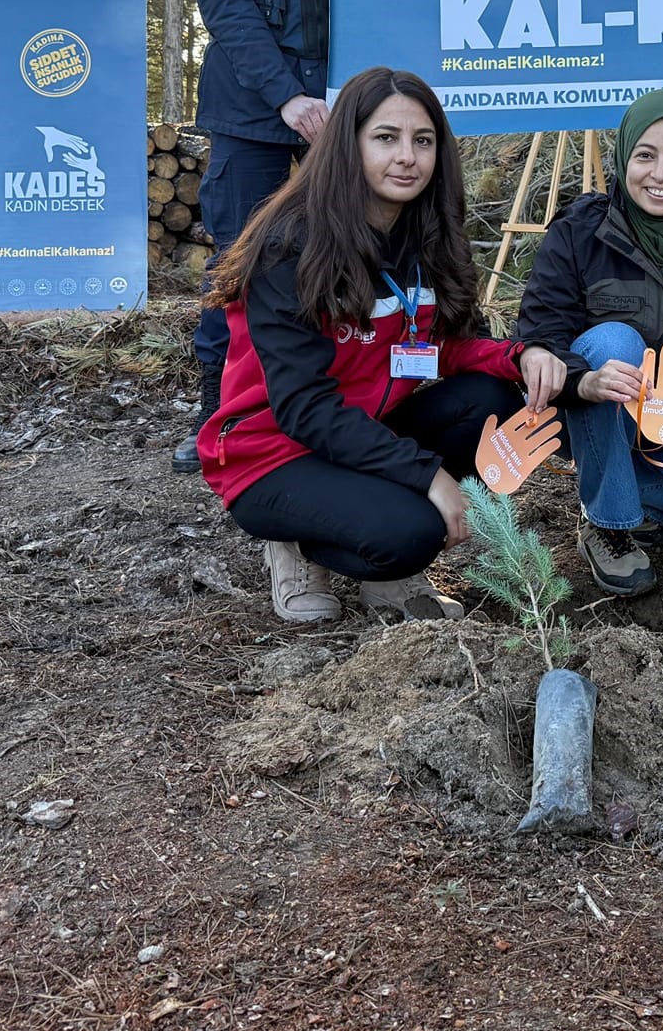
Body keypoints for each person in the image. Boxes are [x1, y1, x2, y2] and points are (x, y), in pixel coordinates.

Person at [197, 68, 568, 624]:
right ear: (348, 145)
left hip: (363, 435)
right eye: (386, 138)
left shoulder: (426, 234)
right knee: (412, 531)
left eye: (423, 141)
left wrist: (525, 356)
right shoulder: (290, 246)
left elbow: (447, 344)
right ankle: (295, 540)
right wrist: (427, 476)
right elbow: (305, 409)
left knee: (492, 400)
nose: (407, 158)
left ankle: (369, 540)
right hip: (272, 452)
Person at [172, 0, 371, 473]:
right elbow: (225, 6)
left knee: (353, 251)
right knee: (240, 261)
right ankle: (218, 418)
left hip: (345, 106)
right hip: (253, 109)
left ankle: (344, 400)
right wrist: (287, 98)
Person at [515, 91, 663, 597]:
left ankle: (641, 505)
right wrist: (584, 381)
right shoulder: (581, 232)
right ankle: (609, 523)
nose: (660, 174)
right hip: (576, 410)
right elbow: (541, 330)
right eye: (645, 155)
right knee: (613, 341)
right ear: (625, 158)